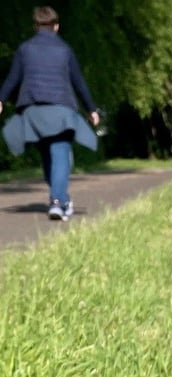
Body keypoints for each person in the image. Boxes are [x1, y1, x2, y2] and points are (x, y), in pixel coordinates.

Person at [0, 6, 100, 222]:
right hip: (61, 110)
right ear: (56, 27)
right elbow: (78, 81)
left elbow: (13, 78)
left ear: (35, 26)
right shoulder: (65, 49)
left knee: (48, 156)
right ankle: (58, 201)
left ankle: (60, 198)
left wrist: (0, 99)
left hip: (34, 112)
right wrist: (91, 108)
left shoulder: (24, 49)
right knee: (60, 153)